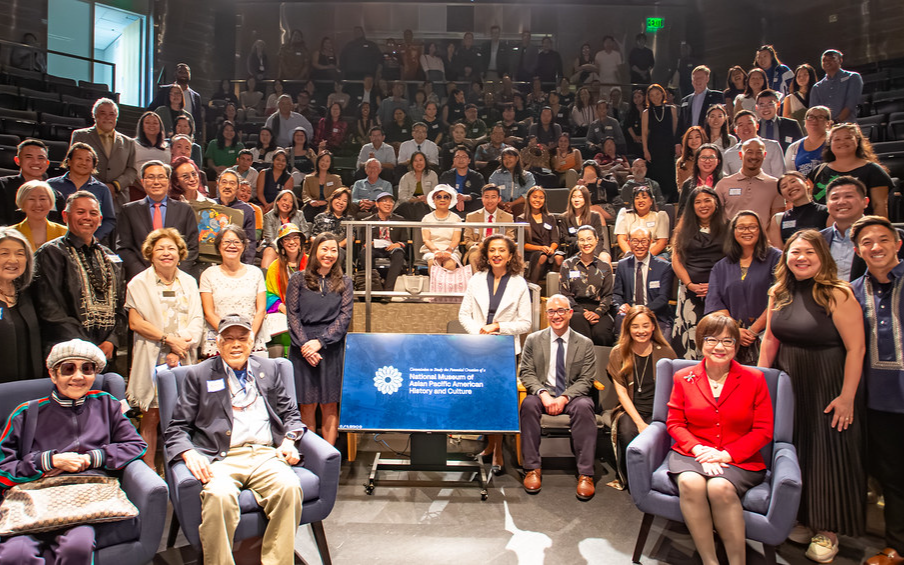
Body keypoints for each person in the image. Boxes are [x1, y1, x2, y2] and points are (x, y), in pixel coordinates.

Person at [757, 230, 865, 563]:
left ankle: (827, 530)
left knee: (825, 452)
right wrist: (760, 383)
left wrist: (847, 396)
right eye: (794, 252)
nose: (801, 257)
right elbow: (770, 341)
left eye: (808, 252)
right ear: (785, 257)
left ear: (822, 256)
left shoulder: (838, 293)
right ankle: (802, 518)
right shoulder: (779, 291)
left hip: (828, 381)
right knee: (795, 449)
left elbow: (856, 348)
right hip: (790, 381)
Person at [163, 313, 304, 564]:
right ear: (218, 344)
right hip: (221, 457)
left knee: (289, 488)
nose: (236, 344)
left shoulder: (270, 369)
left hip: (265, 454)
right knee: (218, 496)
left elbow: (290, 413)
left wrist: (290, 439)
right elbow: (176, 427)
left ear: (252, 342)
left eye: (242, 338)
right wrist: (188, 452)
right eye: (229, 339)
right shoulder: (200, 374)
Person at [0, 339, 147, 564]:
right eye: (69, 368)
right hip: (34, 499)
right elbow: (3, 467)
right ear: (53, 374)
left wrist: (90, 458)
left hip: (85, 498)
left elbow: (136, 445)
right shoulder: (25, 413)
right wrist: (48, 461)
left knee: (78, 547)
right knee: (15, 555)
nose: (78, 376)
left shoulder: (107, 405)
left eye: (86, 369)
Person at [668, 313, 774, 565]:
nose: (719, 347)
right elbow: (674, 423)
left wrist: (726, 454)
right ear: (700, 342)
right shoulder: (684, 377)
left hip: (738, 457)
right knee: (690, 483)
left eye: (728, 341)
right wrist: (698, 449)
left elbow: (763, 430)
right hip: (692, 453)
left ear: (737, 346)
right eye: (712, 339)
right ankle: (710, 561)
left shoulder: (755, 379)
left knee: (720, 487)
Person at [849, 216, 904, 565]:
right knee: (892, 475)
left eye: (883, 240)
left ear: (898, 243)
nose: (875, 247)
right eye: (867, 242)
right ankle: (896, 545)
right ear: (858, 250)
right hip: (880, 399)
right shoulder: (853, 291)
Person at [125, 228, 203, 469]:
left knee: (184, 416)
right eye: (160, 248)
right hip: (152, 357)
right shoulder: (138, 283)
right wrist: (169, 340)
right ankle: (149, 470)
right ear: (150, 253)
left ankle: (180, 468)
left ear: (180, 253)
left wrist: (179, 345)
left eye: (171, 248)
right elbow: (135, 322)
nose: (166, 253)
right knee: (151, 415)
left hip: (184, 355)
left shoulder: (189, 282)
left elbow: (197, 321)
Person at [458, 234, 531, 472]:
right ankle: (490, 445)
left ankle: (498, 450)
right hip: (479, 348)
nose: (496, 254)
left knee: (499, 401)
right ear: (486, 255)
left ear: (510, 255)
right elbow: (464, 315)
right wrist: (478, 333)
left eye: (501, 250)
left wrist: (498, 327)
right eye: (492, 250)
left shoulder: (519, 282)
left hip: (504, 351)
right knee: (482, 400)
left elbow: (525, 323)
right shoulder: (476, 279)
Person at [519, 294, 598, 500]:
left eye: (561, 310)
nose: (557, 315)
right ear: (546, 315)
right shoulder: (534, 340)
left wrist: (564, 398)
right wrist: (543, 394)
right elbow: (526, 372)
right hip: (543, 392)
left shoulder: (585, 343)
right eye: (552, 311)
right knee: (528, 404)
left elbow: (586, 379)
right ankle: (532, 468)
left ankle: (585, 473)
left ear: (570, 313)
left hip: (572, 395)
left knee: (584, 407)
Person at [33, 191, 125, 357]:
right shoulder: (51, 253)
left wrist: (112, 340)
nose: (87, 217)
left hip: (106, 352)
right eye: (80, 212)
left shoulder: (111, 257)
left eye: (93, 213)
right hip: (66, 351)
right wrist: (86, 347)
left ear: (100, 219)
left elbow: (120, 306)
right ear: (65, 216)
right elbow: (50, 308)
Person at [285, 233, 352, 446]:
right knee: (307, 404)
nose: (329, 254)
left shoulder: (345, 282)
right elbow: (292, 315)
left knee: (330, 405)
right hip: (302, 346)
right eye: (324, 249)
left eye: (333, 250)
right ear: (314, 251)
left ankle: (328, 458)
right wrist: (306, 346)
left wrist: (321, 342)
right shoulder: (298, 279)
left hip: (331, 347)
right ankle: (312, 455)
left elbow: (344, 317)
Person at [607, 305, 677, 489]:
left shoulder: (666, 352)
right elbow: (621, 392)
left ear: (653, 326)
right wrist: (639, 422)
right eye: (635, 326)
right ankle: (632, 480)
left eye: (645, 325)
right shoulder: (618, 352)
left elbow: (674, 390)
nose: (641, 331)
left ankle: (654, 479)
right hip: (630, 410)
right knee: (628, 431)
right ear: (628, 328)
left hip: (658, 411)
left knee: (659, 433)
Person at [705, 211, 781, 365]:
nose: (747, 231)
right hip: (731, 340)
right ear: (733, 232)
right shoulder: (721, 266)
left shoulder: (776, 258)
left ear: (760, 230)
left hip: (768, 336)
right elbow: (715, 301)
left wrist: (754, 330)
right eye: (741, 227)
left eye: (752, 227)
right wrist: (734, 331)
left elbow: (780, 297)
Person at [115, 160, 199, 280]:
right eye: (150, 177)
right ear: (142, 182)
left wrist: (175, 273)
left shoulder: (185, 210)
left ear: (168, 182)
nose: (156, 182)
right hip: (141, 279)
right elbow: (123, 248)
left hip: (176, 277)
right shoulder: (129, 210)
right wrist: (145, 275)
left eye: (161, 177)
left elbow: (192, 247)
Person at [671, 187, 728, 359]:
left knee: (715, 338)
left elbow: (733, 261)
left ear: (716, 202)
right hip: (690, 293)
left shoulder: (728, 228)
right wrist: (690, 284)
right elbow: (676, 260)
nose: (703, 205)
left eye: (707, 200)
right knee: (690, 342)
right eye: (698, 202)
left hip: (720, 293)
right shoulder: (684, 229)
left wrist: (715, 287)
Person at [819, 176, 904, 283]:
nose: (841, 202)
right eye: (835, 198)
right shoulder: (818, 240)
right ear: (827, 205)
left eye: (848, 196)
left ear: (865, 202)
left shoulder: (895, 236)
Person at [809, 123, 893, 217]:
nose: (842, 142)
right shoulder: (818, 171)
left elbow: (880, 206)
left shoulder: (874, 170)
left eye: (848, 138)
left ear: (857, 140)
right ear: (829, 144)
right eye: (837, 139)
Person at [70, 98, 138, 212]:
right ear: (95, 116)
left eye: (112, 114)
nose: (108, 117)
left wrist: (115, 186)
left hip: (119, 200)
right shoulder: (80, 136)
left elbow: (132, 171)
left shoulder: (129, 142)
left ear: (116, 117)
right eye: (103, 113)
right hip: (87, 196)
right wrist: (100, 187)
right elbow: (74, 164)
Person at [48, 143, 118, 242]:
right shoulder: (51, 185)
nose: (83, 163)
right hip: (56, 240)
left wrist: (94, 239)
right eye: (79, 158)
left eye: (88, 160)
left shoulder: (102, 189)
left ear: (94, 166)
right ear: (69, 161)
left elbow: (109, 220)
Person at [613, 227, 674, 336]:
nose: (639, 245)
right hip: (628, 315)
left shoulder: (664, 267)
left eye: (644, 241)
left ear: (651, 242)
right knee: (619, 321)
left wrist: (641, 311)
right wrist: (620, 306)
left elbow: (663, 298)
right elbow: (617, 294)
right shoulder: (622, 265)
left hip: (656, 314)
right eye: (635, 241)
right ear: (629, 242)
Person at [559, 225, 615, 345]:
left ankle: (602, 363)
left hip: (599, 309)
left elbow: (608, 295)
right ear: (578, 242)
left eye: (589, 239)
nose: (586, 243)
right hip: (576, 309)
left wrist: (598, 313)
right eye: (582, 240)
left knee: (601, 333)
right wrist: (582, 311)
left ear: (596, 240)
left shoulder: (604, 267)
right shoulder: (567, 265)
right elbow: (565, 294)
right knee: (579, 326)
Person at [0, 227, 41, 381]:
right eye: (4, 253)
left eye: (20, 253)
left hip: (28, 388)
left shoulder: (28, 293)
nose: (13, 260)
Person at [715, 138, 784, 229]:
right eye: (749, 152)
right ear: (740, 155)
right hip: (729, 241)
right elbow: (716, 217)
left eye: (759, 152)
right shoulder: (723, 184)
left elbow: (776, 222)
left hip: (763, 241)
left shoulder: (774, 185)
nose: (754, 156)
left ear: (765, 155)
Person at [361, 191, 408, 291]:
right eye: (384, 201)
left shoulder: (400, 220)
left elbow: (405, 241)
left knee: (399, 253)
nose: (388, 204)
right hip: (374, 248)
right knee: (365, 252)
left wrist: (397, 244)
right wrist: (369, 243)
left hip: (391, 248)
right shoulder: (367, 221)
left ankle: (388, 290)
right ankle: (373, 287)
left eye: (391, 202)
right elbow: (363, 242)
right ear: (377, 204)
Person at [766, 171, 830, 246]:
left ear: (807, 184)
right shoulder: (778, 219)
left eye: (793, 181)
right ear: (783, 196)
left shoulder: (827, 211)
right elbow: (778, 253)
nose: (790, 187)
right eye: (784, 186)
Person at [641, 84, 679, 202]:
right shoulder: (646, 112)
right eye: (651, 95)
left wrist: (676, 145)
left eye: (657, 94)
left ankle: (670, 200)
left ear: (662, 93)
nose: (655, 97)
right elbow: (644, 133)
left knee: (669, 173)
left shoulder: (671, 109)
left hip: (668, 147)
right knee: (655, 173)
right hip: (654, 148)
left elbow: (675, 130)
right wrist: (645, 150)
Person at [722, 110, 786, 177]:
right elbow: (727, 181)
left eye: (749, 123)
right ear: (735, 130)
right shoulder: (728, 154)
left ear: (757, 126)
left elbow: (780, 176)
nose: (746, 128)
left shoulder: (773, 146)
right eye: (741, 125)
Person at [518, 186, 562, 284]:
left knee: (558, 258)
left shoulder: (550, 217)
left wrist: (551, 249)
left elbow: (555, 240)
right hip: (533, 252)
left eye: (541, 198)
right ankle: (533, 288)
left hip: (550, 251)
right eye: (535, 197)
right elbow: (523, 244)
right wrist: (540, 248)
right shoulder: (522, 219)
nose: (538, 200)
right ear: (528, 198)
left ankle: (554, 290)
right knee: (542, 257)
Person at [809, 49, 863, 123]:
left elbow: (850, 104)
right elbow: (814, 111)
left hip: (847, 126)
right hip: (825, 129)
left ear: (840, 60)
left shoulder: (853, 77)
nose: (827, 62)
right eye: (824, 60)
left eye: (831, 59)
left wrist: (836, 122)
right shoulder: (817, 87)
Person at [559, 184, 610, 262]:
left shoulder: (595, 216)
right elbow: (565, 238)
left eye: (580, 197)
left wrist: (594, 254)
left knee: (605, 258)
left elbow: (599, 239)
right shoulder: (564, 217)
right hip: (574, 250)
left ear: (586, 199)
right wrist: (582, 242)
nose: (576, 200)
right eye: (574, 197)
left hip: (594, 249)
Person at [614, 186, 670, 257]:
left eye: (644, 198)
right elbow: (621, 239)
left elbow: (662, 243)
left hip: (656, 254)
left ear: (651, 201)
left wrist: (645, 257)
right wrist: (631, 256)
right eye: (637, 198)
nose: (640, 201)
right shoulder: (625, 214)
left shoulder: (660, 216)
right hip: (631, 254)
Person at [12, 181, 67, 251]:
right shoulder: (10, 233)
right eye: (31, 199)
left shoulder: (65, 233)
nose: (37, 204)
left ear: (50, 202)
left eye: (42, 199)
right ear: (21, 202)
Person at [148, 63, 203, 131]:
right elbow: (151, 110)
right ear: (175, 74)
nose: (183, 74)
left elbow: (198, 121)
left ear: (190, 75)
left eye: (186, 72)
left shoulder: (196, 96)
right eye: (180, 72)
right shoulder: (164, 90)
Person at [420, 185, 463, 271]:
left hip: (452, 250)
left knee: (450, 264)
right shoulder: (426, 218)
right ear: (434, 200)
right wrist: (436, 251)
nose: (442, 200)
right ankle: (434, 284)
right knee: (433, 263)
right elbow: (426, 240)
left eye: (446, 197)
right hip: (431, 251)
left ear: (450, 200)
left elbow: (456, 240)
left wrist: (449, 251)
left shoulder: (456, 218)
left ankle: (448, 285)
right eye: (439, 197)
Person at [261, 189, 308, 269]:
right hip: (275, 246)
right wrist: (280, 250)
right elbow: (270, 238)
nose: (287, 203)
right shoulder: (268, 216)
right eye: (284, 200)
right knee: (270, 251)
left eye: (291, 202)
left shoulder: (299, 214)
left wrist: (297, 244)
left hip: (295, 245)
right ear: (277, 201)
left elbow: (305, 233)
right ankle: (265, 278)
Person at [676, 144, 725, 217]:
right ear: (696, 161)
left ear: (718, 161)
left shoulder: (724, 182)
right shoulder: (687, 184)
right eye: (703, 157)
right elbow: (682, 212)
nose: (707, 161)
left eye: (711, 157)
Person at [784, 105, 832, 177]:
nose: (814, 120)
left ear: (828, 123)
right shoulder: (793, 148)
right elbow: (790, 175)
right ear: (805, 122)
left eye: (820, 117)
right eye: (811, 117)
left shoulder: (834, 143)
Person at [488, 147, 536, 217]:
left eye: (510, 157)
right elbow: (492, 192)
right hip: (500, 205)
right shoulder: (496, 174)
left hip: (520, 206)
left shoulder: (528, 176)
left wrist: (512, 204)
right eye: (504, 158)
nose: (507, 160)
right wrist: (504, 204)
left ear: (517, 158)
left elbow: (528, 194)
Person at [677, 66, 725, 134]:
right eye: (695, 78)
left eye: (701, 78)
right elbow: (680, 123)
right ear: (692, 81)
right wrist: (678, 142)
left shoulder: (717, 96)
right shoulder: (685, 100)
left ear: (707, 79)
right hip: (690, 140)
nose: (697, 80)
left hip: (710, 137)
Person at [300, 151, 341, 223]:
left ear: (330, 164)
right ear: (318, 161)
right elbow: (305, 194)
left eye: (327, 161)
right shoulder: (308, 178)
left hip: (328, 204)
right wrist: (310, 201)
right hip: (312, 205)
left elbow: (338, 194)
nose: (324, 163)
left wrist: (325, 201)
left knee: (326, 211)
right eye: (322, 160)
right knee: (308, 210)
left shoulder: (336, 179)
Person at [397, 151, 438, 221]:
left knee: (420, 205)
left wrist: (427, 199)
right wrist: (416, 200)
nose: (418, 163)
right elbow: (402, 198)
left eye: (421, 160)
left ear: (425, 161)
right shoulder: (406, 177)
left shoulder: (432, 175)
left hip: (426, 205)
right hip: (407, 206)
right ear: (412, 163)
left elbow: (435, 195)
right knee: (410, 206)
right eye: (415, 161)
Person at [311, 188, 351, 259]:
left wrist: (335, 247)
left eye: (344, 201)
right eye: (338, 199)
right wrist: (324, 247)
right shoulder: (320, 217)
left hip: (340, 249)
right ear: (332, 200)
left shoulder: (349, 219)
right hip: (321, 248)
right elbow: (313, 237)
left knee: (338, 253)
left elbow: (350, 237)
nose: (341, 202)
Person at [255, 149, 294, 214]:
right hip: (262, 202)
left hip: (279, 204)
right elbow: (259, 193)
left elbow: (285, 197)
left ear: (286, 163)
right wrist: (266, 204)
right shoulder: (263, 173)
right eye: (278, 159)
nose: (280, 163)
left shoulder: (289, 178)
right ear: (273, 160)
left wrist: (272, 205)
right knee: (259, 210)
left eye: (283, 161)